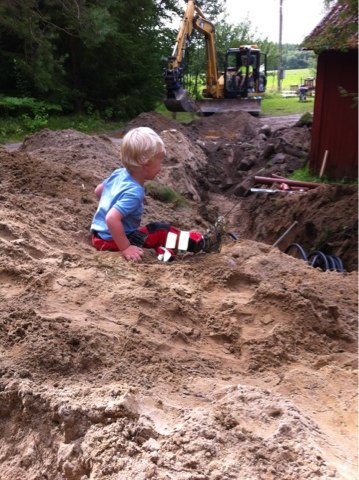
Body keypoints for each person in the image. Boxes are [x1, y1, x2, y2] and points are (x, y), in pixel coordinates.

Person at [90, 126, 223, 263]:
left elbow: (99, 191)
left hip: (99, 236)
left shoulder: (119, 173)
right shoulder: (134, 192)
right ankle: (203, 243)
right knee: (160, 231)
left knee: (153, 235)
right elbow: (112, 219)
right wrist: (126, 248)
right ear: (146, 164)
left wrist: (110, 205)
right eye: (160, 161)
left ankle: (164, 253)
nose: (161, 166)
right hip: (114, 241)